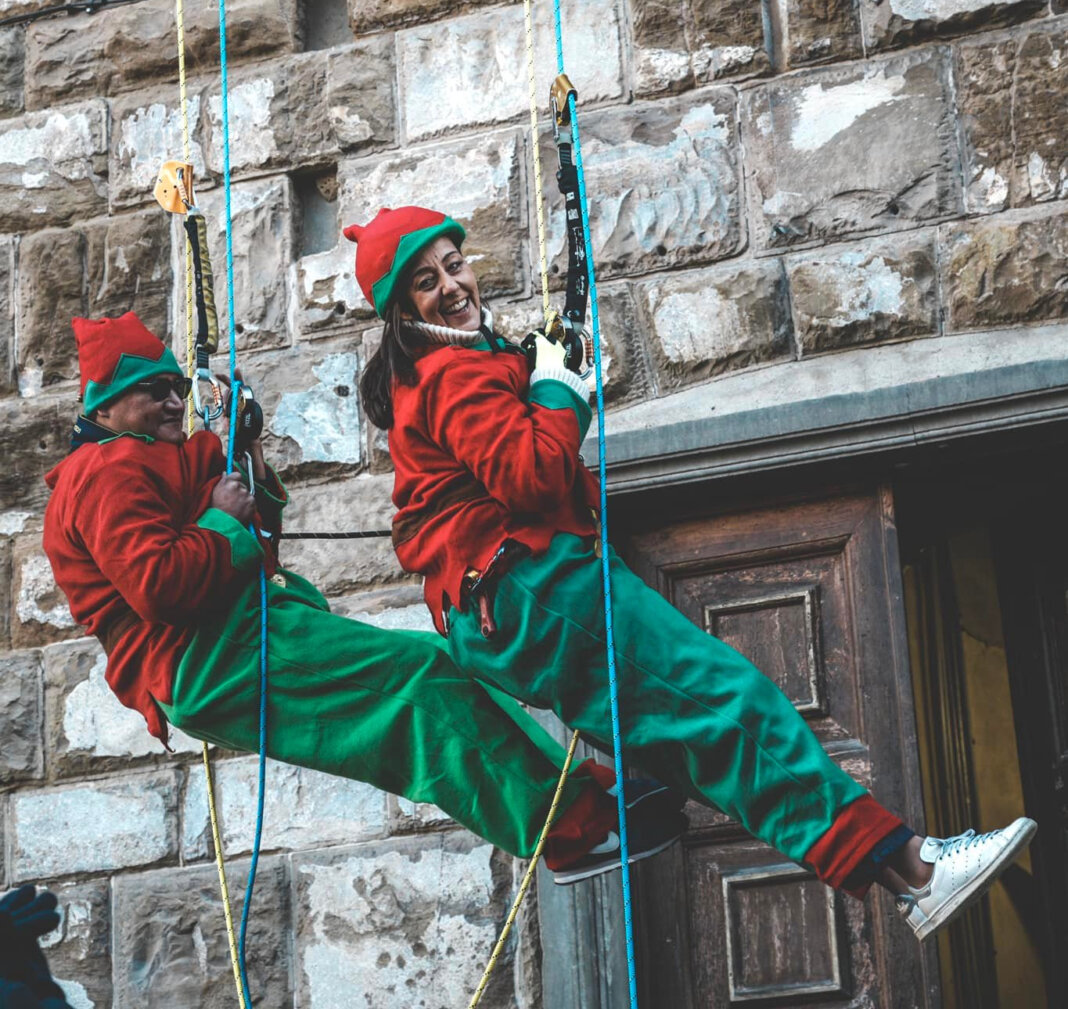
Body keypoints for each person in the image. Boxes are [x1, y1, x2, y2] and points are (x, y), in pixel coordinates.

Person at [349, 205, 1037, 932]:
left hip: (511, 605)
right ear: (401, 311)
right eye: (426, 281)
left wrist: (544, 375)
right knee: (727, 700)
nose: (452, 285)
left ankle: (901, 872)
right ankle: (918, 867)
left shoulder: (449, 366)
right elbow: (533, 475)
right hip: (536, 588)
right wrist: (558, 391)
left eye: (454, 264)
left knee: (699, 735)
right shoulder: (449, 372)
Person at [42, 311, 688, 887]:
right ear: (103, 405)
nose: (172, 402)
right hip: (209, 657)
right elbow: (160, 583)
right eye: (155, 390)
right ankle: (573, 828)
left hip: (230, 642)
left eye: (176, 388)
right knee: (419, 687)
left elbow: (248, 552)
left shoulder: (143, 458)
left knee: (436, 671)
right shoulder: (104, 470)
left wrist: (249, 457)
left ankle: (584, 803)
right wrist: (219, 519)